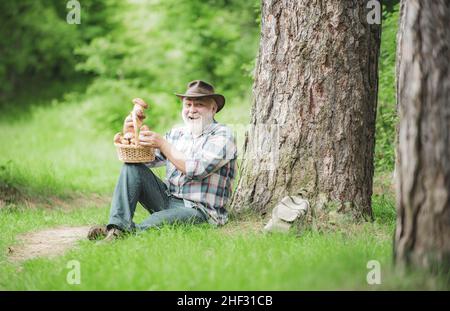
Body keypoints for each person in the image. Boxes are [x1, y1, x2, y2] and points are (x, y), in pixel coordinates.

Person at [88, 80, 238, 242]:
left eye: (199, 104)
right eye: (187, 105)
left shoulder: (223, 135)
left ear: (213, 108)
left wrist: (163, 144)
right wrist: (132, 134)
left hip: (200, 210)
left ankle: (124, 233)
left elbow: (197, 170)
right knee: (132, 168)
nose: (191, 110)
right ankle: (116, 226)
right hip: (167, 198)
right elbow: (145, 160)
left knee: (158, 223)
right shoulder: (177, 133)